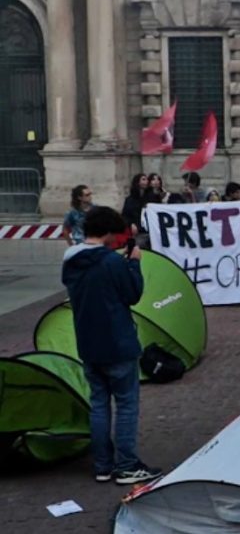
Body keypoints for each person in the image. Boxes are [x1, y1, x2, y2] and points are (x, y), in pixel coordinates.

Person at [62, 207, 162, 485]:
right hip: (117, 341)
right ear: (107, 232)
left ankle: (103, 465)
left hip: (88, 343)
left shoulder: (71, 262)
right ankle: (127, 465)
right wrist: (134, 263)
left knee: (99, 404)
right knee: (127, 404)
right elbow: (133, 294)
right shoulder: (110, 262)